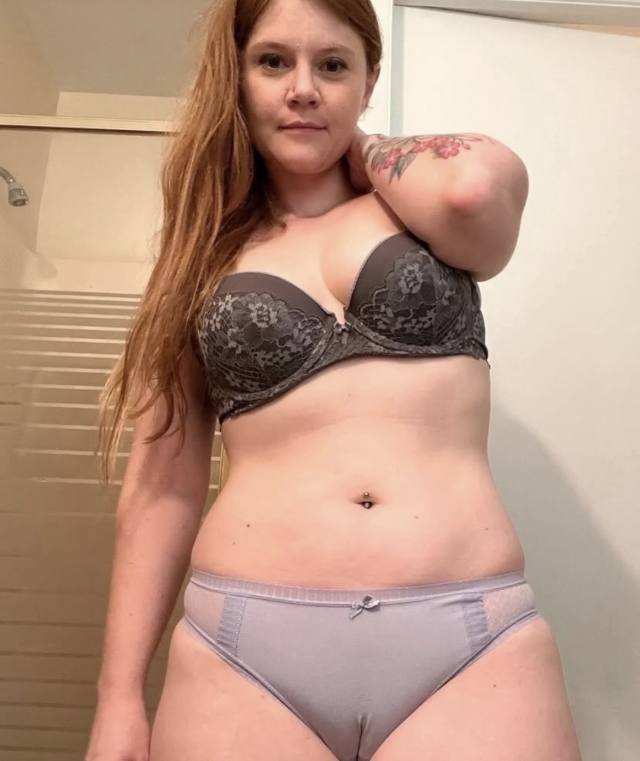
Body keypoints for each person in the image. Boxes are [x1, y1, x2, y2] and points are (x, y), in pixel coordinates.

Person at [85, 1, 583, 760]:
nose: (303, 88)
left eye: (333, 65)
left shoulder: (423, 213)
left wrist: (367, 151)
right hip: (244, 652)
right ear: (236, 76)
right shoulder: (200, 258)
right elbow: (163, 486)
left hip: (471, 644)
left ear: (369, 80)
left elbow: (475, 190)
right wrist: (119, 698)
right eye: (273, 61)